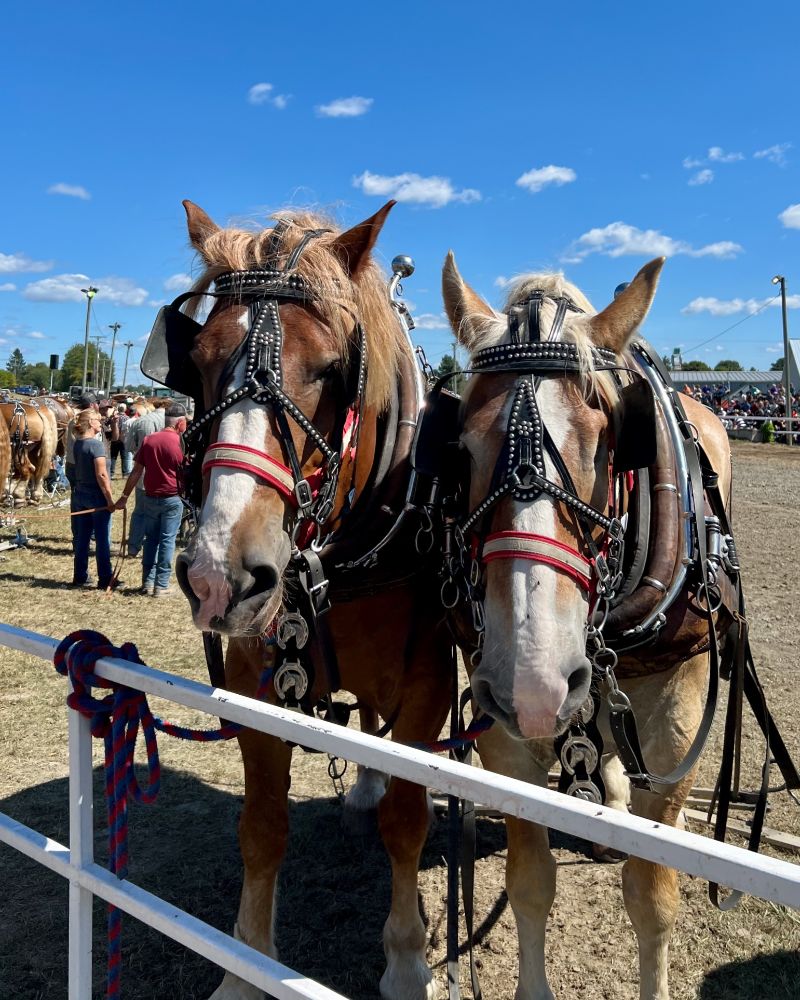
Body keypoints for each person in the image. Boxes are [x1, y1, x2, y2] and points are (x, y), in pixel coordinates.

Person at [116, 403, 187, 596]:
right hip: (172, 498)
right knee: (167, 541)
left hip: (150, 497)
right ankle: (161, 585)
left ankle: (147, 582)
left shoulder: (149, 440)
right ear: (180, 423)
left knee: (151, 540)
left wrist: (124, 497)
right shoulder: (181, 443)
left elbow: (136, 472)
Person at [71, 409, 116, 589]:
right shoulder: (96, 445)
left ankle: (80, 576)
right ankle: (105, 578)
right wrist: (110, 499)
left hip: (80, 494)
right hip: (96, 497)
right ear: (90, 423)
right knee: (102, 540)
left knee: (82, 538)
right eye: (98, 420)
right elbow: (102, 475)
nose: (101, 423)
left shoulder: (78, 443)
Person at [123, 400, 167, 557]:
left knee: (140, 512)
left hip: (142, 473)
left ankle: (133, 547)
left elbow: (128, 448)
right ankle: (157, 548)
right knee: (163, 514)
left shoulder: (139, 422)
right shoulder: (172, 423)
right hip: (165, 476)